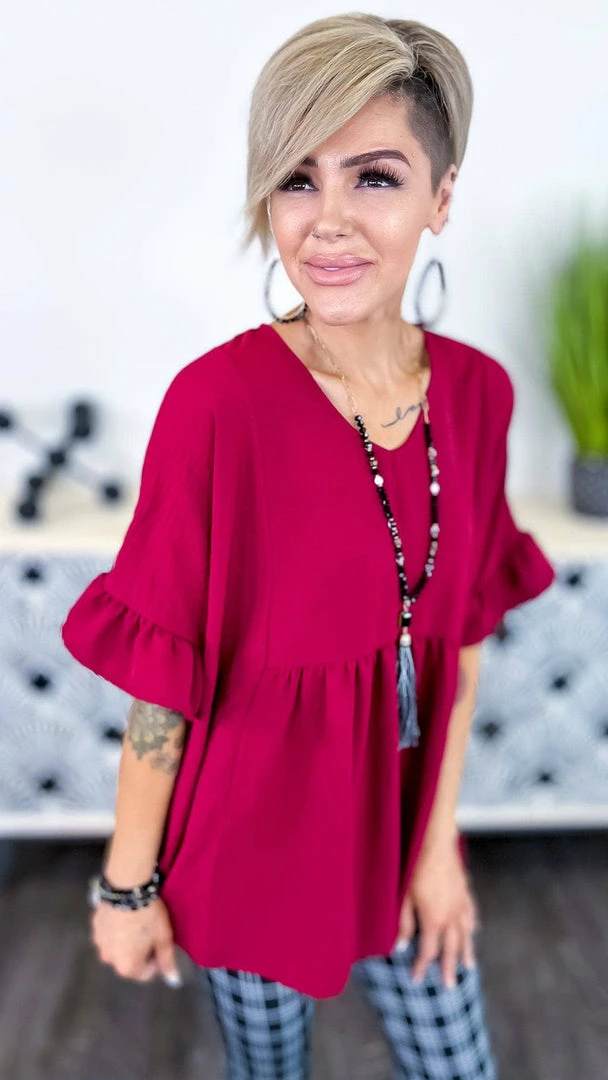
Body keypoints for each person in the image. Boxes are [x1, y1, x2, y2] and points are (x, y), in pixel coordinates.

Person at [61, 13, 556, 1079]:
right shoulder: (216, 406)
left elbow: (461, 642)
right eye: (296, 179)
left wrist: (438, 847)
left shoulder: (477, 396)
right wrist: (126, 887)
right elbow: (162, 686)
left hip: (401, 833)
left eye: (373, 177)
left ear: (441, 196)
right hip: (252, 853)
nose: (327, 221)